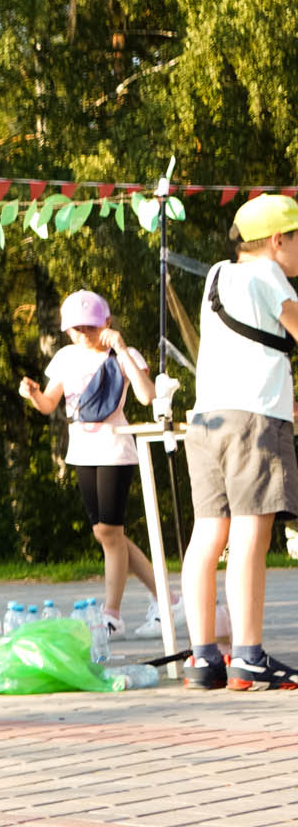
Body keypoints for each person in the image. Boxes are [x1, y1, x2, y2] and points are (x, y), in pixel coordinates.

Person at [179, 195, 298, 691]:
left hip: (207, 421)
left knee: (208, 535)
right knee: (252, 533)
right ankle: (249, 656)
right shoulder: (269, 273)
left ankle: (203, 658)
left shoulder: (216, 276)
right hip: (254, 421)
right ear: (277, 240)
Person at [18, 291, 167, 637]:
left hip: (115, 449)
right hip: (82, 451)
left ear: (107, 323)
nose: (83, 334)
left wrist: (121, 348)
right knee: (105, 533)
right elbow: (49, 404)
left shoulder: (124, 356)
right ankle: (167, 598)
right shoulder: (66, 357)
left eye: (90, 327)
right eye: (76, 329)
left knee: (110, 533)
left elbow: (147, 396)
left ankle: (112, 615)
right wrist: (33, 394)